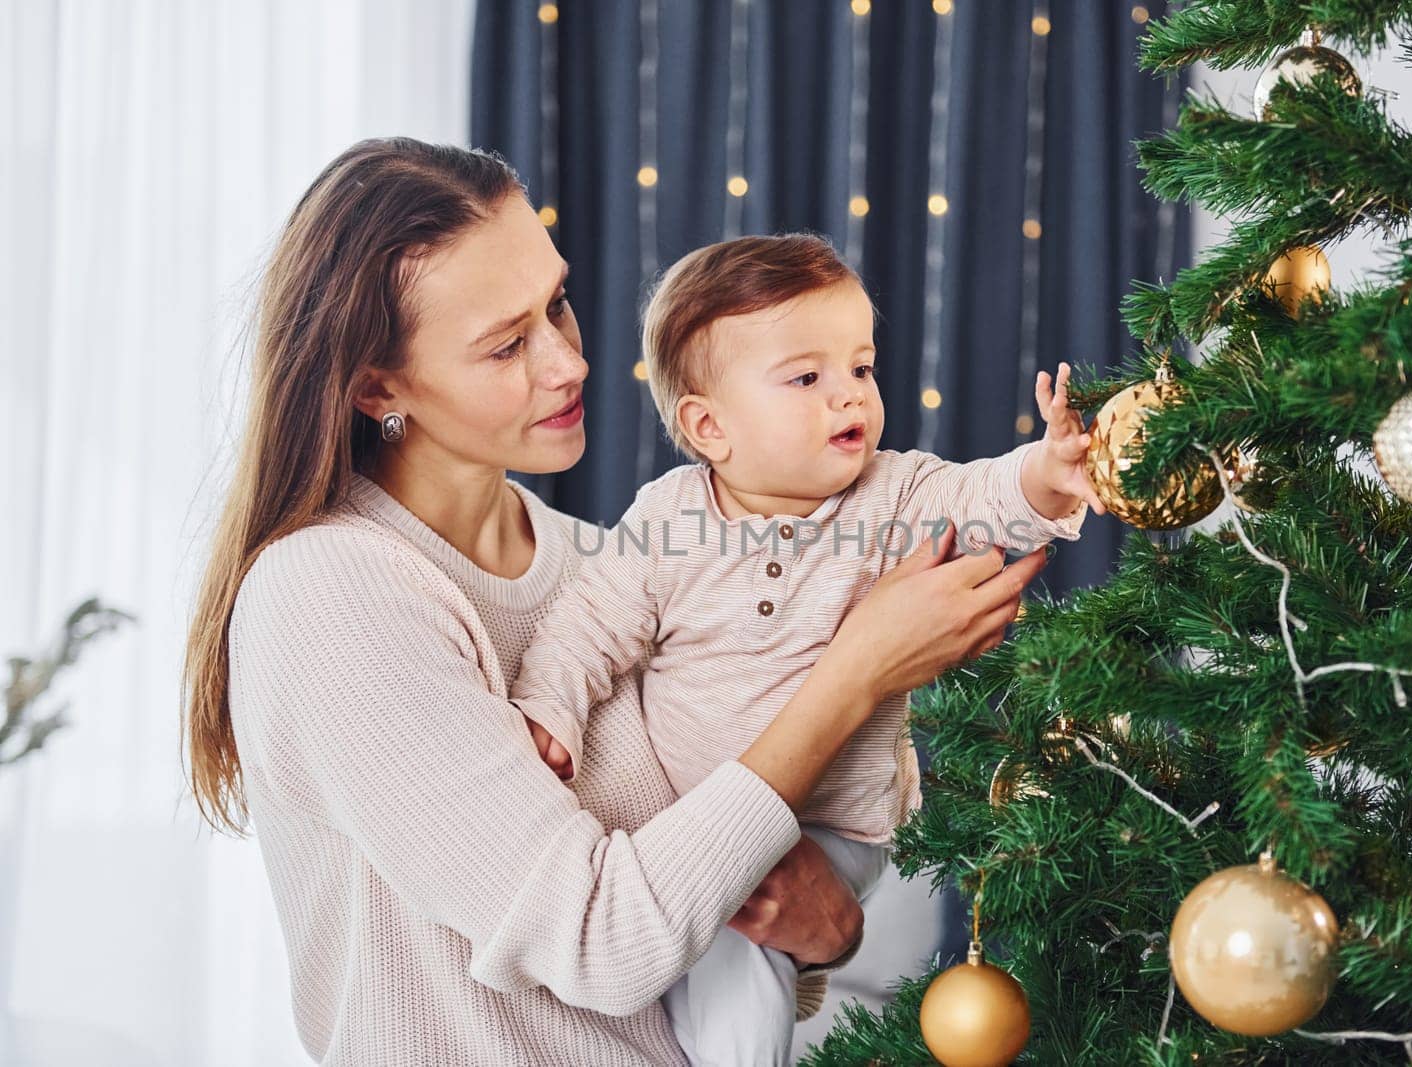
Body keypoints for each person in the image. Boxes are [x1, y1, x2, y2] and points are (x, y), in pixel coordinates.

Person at [180, 137, 1049, 1066]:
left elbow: (711, 915)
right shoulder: (332, 591)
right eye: (507, 344)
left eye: (556, 303)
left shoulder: (604, 564)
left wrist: (826, 932)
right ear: (376, 387)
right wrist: (859, 668)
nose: (567, 363)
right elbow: (598, 939)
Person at [513, 234, 1103, 1064]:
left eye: (860, 368)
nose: (849, 398)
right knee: (689, 942)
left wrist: (1046, 470)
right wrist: (550, 708)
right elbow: (587, 624)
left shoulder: (894, 495)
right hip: (692, 817)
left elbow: (983, 497)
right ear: (708, 425)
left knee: (740, 941)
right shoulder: (668, 519)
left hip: (829, 829)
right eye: (807, 378)